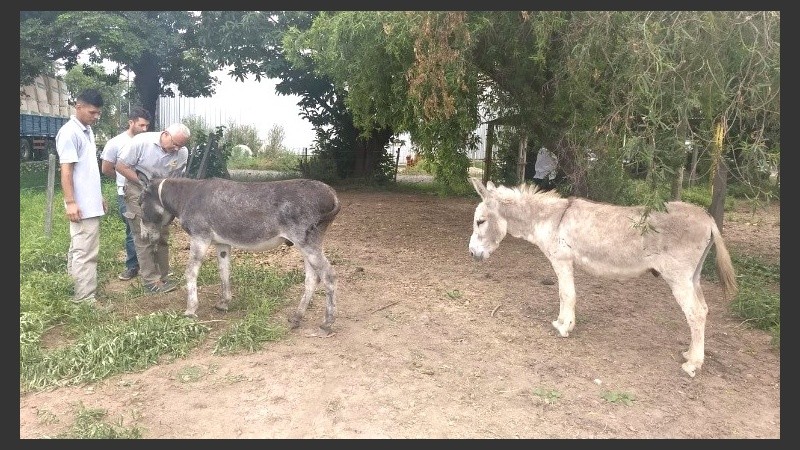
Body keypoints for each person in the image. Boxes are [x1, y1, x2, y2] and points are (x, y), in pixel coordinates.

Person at [115, 123, 191, 294]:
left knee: (162, 234)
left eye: (181, 146)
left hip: (162, 191)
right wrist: (142, 183)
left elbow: (177, 177)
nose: (177, 149)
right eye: (175, 144)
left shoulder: (182, 152)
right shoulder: (142, 142)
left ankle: (163, 276)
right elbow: (120, 166)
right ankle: (150, 280)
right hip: (138, 186)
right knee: (144, 234)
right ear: (165, 134)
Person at [55, 89, 106, 304]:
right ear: (78, 107)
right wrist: (71, 202)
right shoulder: (70, 133)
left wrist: (99, 196)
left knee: (79, 247)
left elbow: (88, 170)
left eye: (98, 113)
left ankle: (74, 286)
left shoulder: (86, 130)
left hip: (90, 202)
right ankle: (84, 299)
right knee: (86, 252)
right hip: (81, 206)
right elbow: (66, 171)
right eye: (92, 112)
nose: (96, 117)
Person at [99, 107, 152, 281]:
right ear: (131, 122)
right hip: (126, 194)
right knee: (132, 230)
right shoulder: (116, 143)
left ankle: (150, 265)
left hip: (149, 193)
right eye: (141, 125)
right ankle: (132, 266)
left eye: (147, 126)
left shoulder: (147, 141)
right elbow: (106, 168)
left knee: (151, 227)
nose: (144, 130)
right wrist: (125, 180)